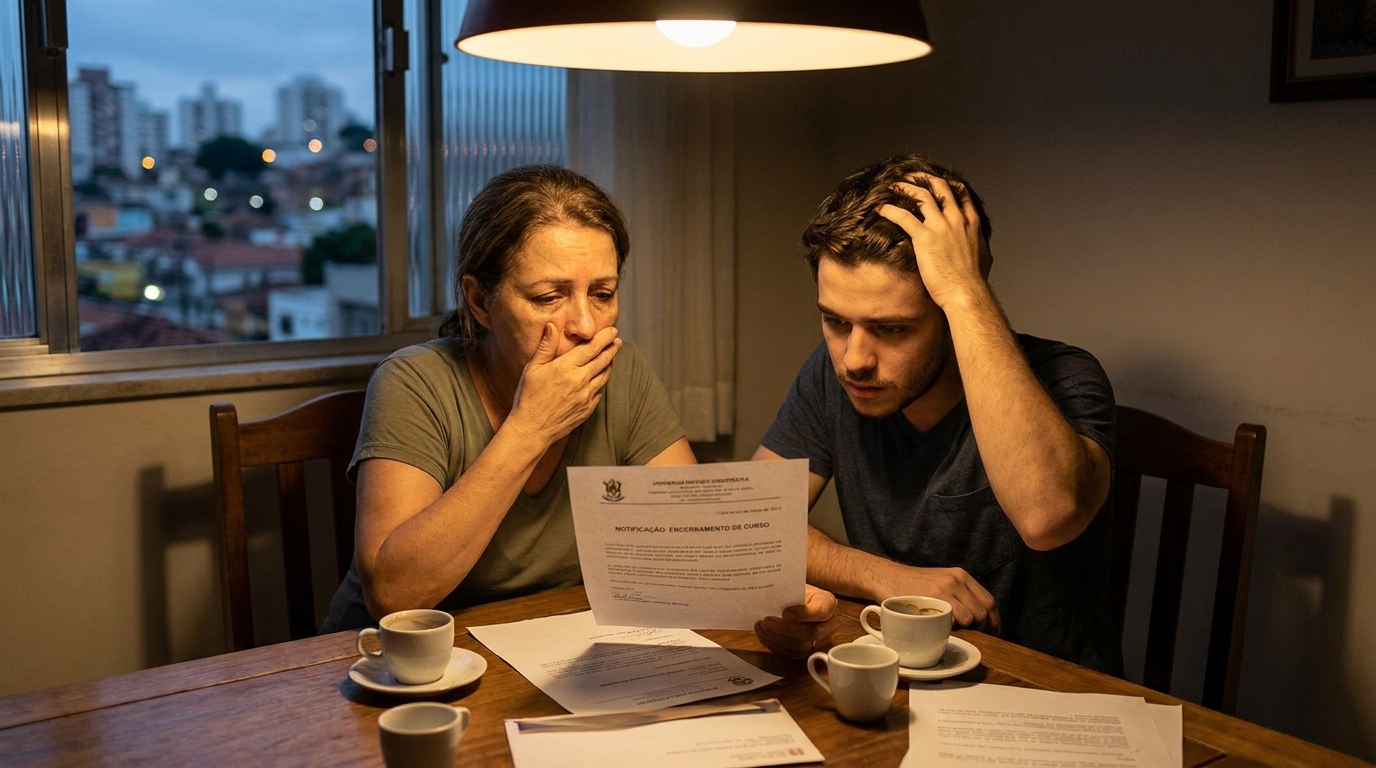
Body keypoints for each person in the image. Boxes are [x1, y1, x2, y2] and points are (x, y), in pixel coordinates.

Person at [752, 154, 1123, 675]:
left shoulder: (1067, 374)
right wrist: (885, 576)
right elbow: (753, 525)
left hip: (1042, 691)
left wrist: (967, 291)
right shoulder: (831, 374)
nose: (855, 358)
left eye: (893, 329)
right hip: (900, 683)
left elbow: (1047, 518)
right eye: (835, 321)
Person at [321, 165, 696, 632]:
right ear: (480, 302)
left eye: (602, 293)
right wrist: (529, 429)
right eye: (547, 297)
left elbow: (689, 544)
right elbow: (395, 596)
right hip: (392, 667)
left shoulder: (625, 373)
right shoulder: (412, 382)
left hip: (550, 644)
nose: (586, 325)